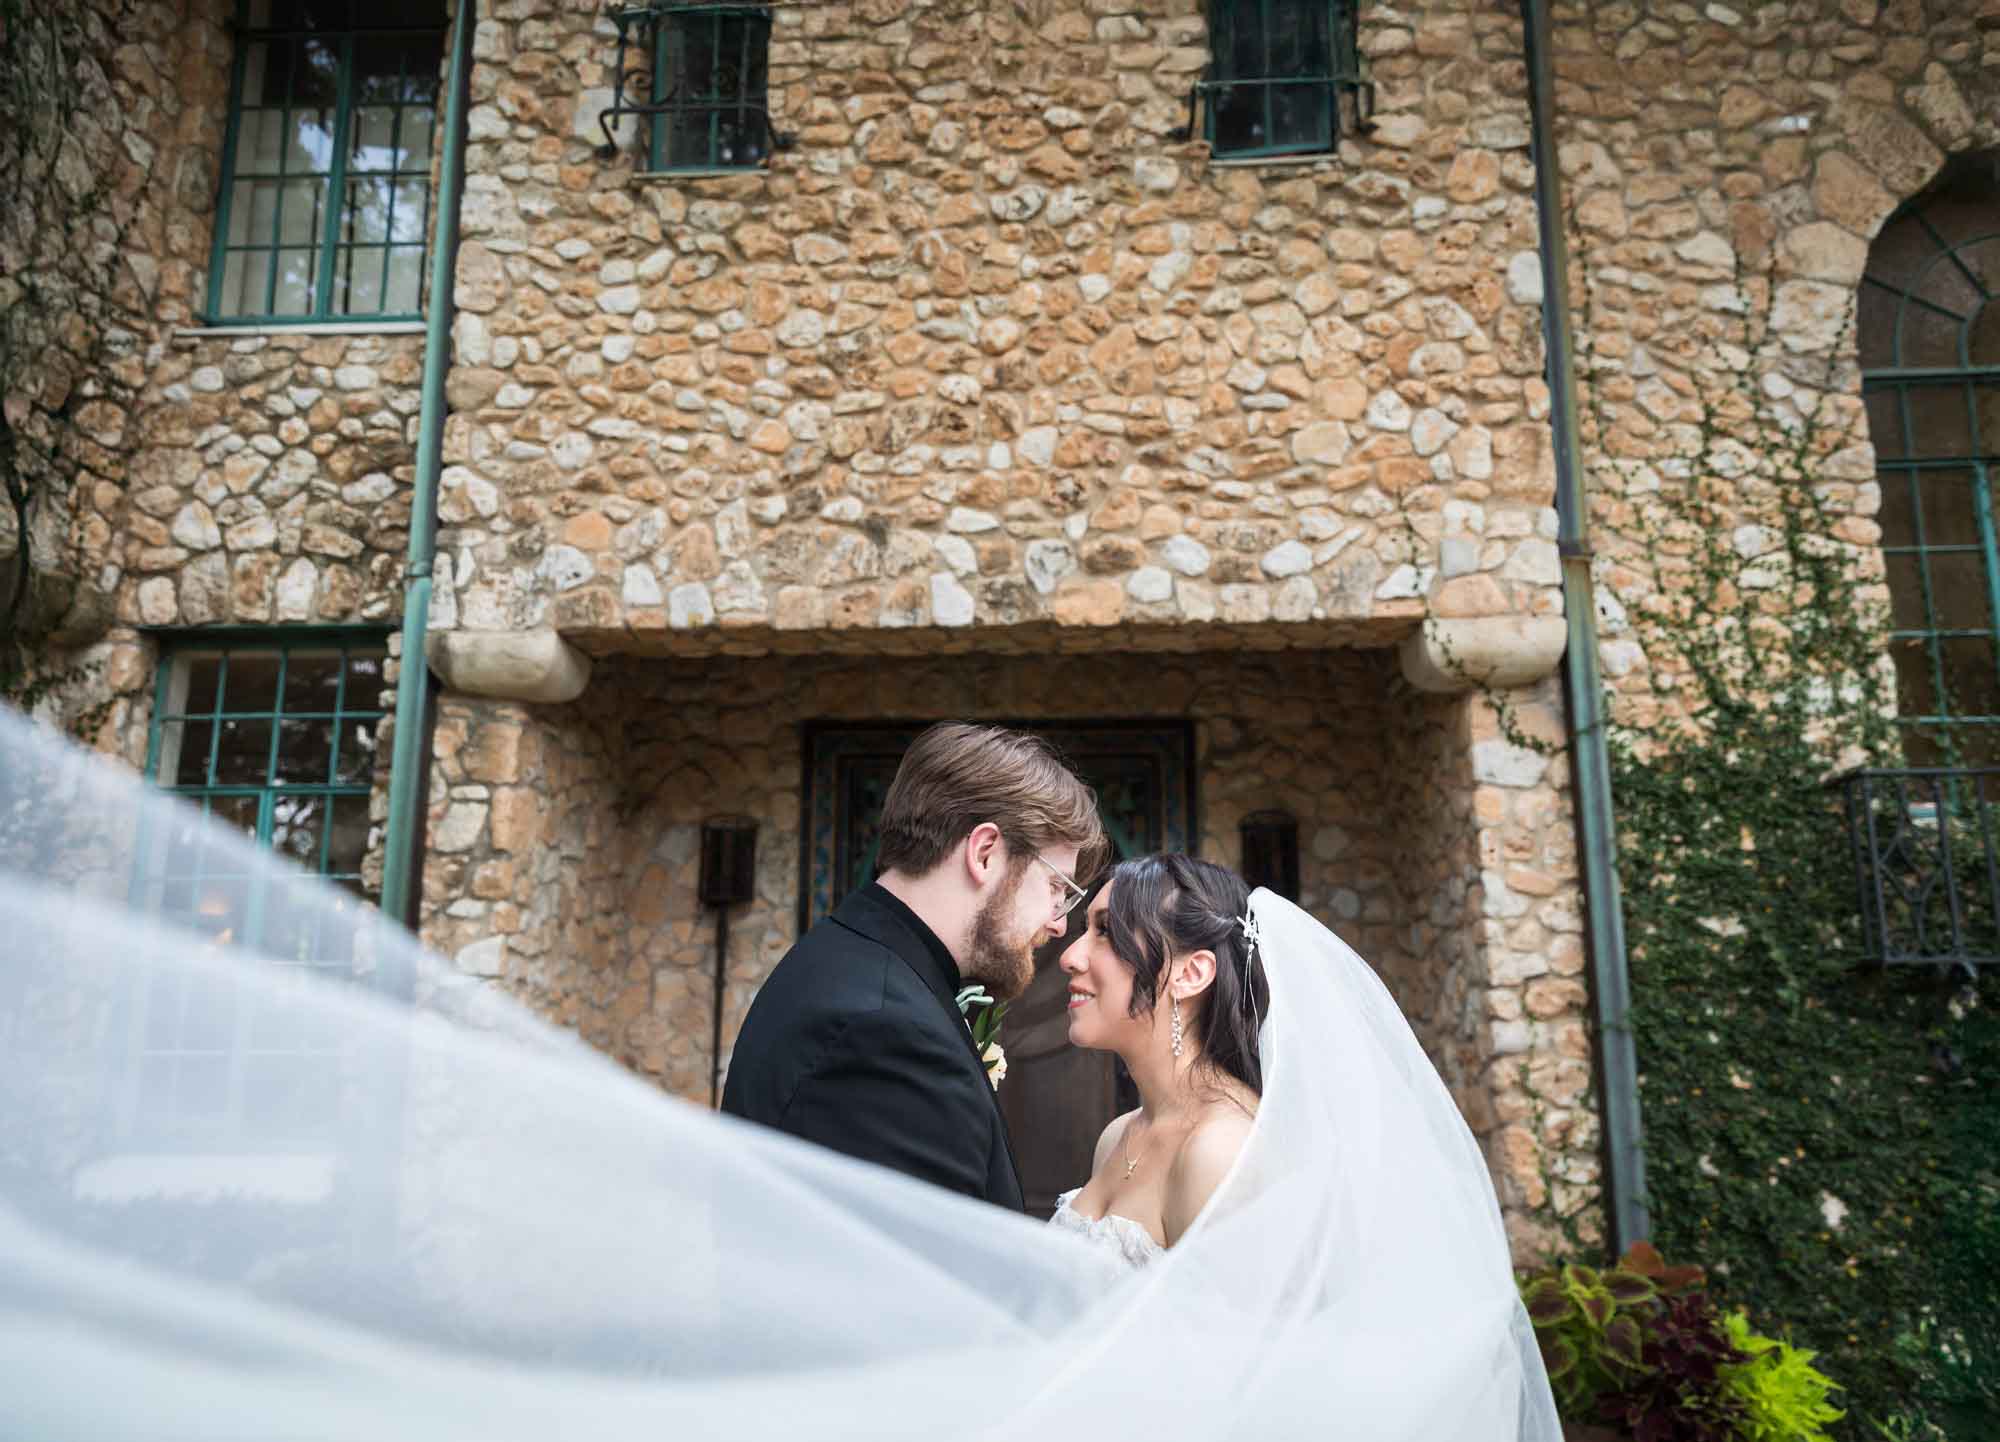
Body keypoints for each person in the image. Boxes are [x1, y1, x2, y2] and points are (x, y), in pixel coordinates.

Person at [720, 721, 1106, 1208]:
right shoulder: (887, 1030)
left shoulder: (847, 961)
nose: (1056, 925)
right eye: (1056, 888)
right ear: (985, 853)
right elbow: (931, 1276)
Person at [1048, 854, 1264, 1267]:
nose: (1070, 956)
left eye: (1106, 932)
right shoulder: (1117, 1136)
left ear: (1191, 973)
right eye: (1084, 930)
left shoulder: (1218, 1150)